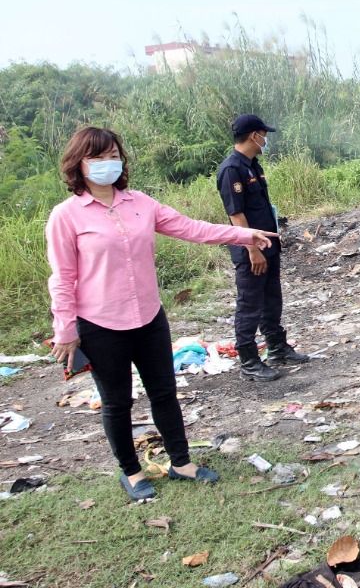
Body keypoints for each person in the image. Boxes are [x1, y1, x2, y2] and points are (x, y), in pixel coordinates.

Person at [45, 127, 278, 502]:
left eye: (112, 156)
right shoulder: (66, 216)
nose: (107, 164)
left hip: (148, 316)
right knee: (117, 401)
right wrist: (65, 329)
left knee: (164, 392)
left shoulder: (139, 203)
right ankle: (132, 472)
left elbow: (191, 228)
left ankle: (181, 462)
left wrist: (243, 235)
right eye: (97, 158)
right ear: (79, 164)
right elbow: (63, 277)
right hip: (101, 324)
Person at [216, 114, 309, 382]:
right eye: (263, 135)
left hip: (268, 245)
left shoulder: (252, 165)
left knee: (271, 300)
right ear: (254, 135)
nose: (265, 140)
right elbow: (236, 215)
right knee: (249, 305)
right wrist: (252, 249)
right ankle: (249, 362)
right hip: (251, 251)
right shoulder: (232, 170)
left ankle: (277, 347)